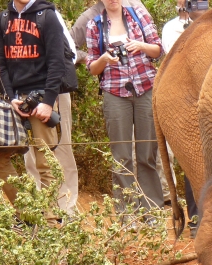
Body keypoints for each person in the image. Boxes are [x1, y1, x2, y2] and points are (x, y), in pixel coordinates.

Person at [86, 0, 164, 214]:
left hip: (145, 88)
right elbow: (92, 68)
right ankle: (126, 214)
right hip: (115, 93)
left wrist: (140, 46)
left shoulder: (138, 16)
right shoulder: (95, 24)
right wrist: (104, 59)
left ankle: (151, 211)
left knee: (147, 154)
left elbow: (158, 50)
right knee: (121, 156)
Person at [0, 0, 67, 204]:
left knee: (46, 163)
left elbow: (57, 62)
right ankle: (26, 212)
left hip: (40, 99)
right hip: (13, 101)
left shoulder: (47, 16)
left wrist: (48, 102)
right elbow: (0, 65)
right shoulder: (1, 20)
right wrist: (10, 98)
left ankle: (50, 219)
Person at [23, 8, 77, 214]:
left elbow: (69, 54)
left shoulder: (49, 14)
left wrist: (50, 88)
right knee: (30, 154)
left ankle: (67, 209)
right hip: (25, 93)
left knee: (61, 149)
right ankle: (40, 209)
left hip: (55, 93)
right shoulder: (10, 18)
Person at [161, 0, 203, 235]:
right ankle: (196, 220)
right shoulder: (172, 28)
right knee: (192, 160)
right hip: (187, 96)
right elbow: (177, 59)